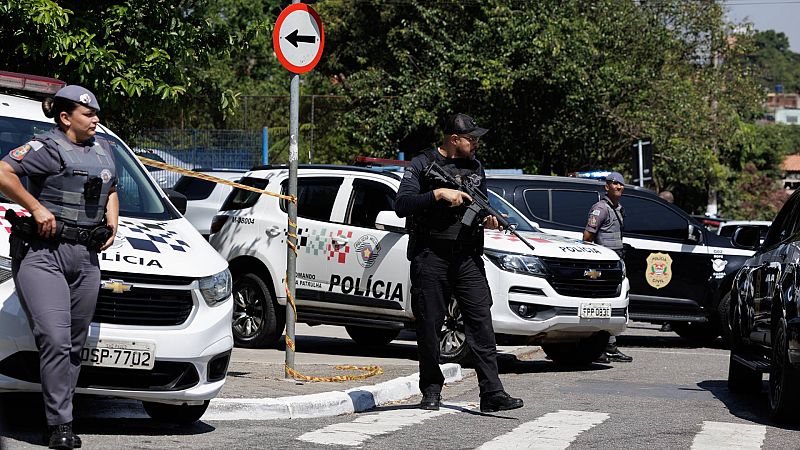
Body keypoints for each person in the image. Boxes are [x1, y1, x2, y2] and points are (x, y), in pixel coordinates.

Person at [0, 85, 118, 450]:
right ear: (66, 117)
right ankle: (59, 425)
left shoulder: (104, 148)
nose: (96, 119)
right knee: (55, 337)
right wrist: (36, 207)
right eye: (88, 114)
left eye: (96, 113)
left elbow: (111, 188)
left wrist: (113, 223)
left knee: (74, 346)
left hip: (85, 257)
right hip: (43, 254)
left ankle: (60, 413)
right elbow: (3, 172)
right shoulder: (45, 148)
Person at [395, 113, 523, 413]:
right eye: (471, 139)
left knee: (481, 323)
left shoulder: (476, 168)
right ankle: (431, 389)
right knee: (429, 326)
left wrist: (489, 222)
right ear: (454, 139)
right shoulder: (423, 165)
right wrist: (438, 193)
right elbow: (401, 204)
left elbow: (480, 207)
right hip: (431, 255)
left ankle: (492, 392)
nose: (476, 144)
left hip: (467, 256)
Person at [583, 172, 633, 363]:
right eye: (614, 184)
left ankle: (610, 345)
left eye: (621, 185)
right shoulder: (600, 208)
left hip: (616, 263)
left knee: (614, 303)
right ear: (606, 187)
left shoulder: (618, 209)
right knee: (600, 304)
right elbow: (587, 237)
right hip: (602, 265)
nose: (618, 187)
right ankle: (599, 347)